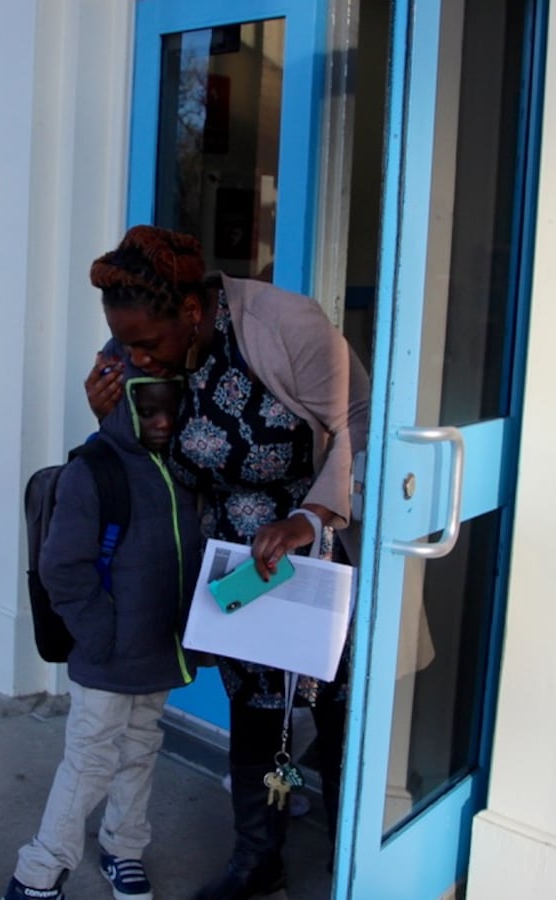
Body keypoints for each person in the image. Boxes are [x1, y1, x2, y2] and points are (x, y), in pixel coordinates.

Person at [85, 225, 370, 900]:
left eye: (146, 344)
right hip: (228, 559)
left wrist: (311, 516)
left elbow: (362, 417)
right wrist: (107, 419)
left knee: (333, 700)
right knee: (254, 703)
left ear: (192, 312)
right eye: (123, 343)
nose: (132, 357)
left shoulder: (284, 324)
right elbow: (144, 458)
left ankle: (352, 859)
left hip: (305, 542)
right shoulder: (132, 350)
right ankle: (256, 860)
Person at [4, 372, 202, 900]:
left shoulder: (180, 469)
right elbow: (62, 569)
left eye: (171, 409)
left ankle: (123, 846)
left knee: (140, 748)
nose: (162, 423)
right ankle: (38, 873)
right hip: (108, 652)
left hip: (159, 650)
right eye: (150, 411)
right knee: (91, 760)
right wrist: (101, 635)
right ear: (122, 407)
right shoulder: (92, 472)